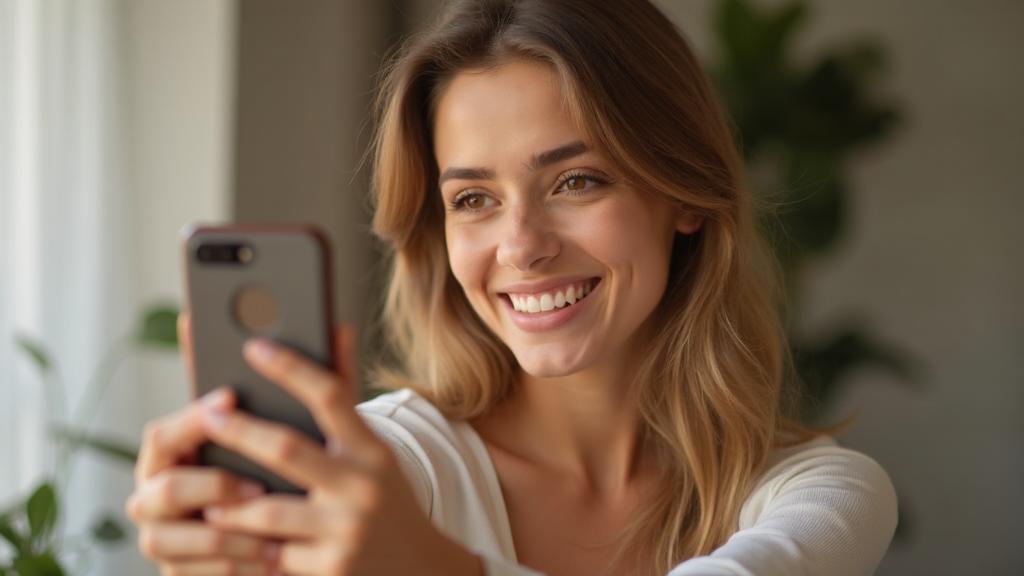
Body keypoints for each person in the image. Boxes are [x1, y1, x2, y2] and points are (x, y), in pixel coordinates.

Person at [126, 1, 898, 574]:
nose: (522, 246)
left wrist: (428, 564)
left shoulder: (820, 496)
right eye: (473, 199)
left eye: (576, 181)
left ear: (687, 197)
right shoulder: (389, 470)